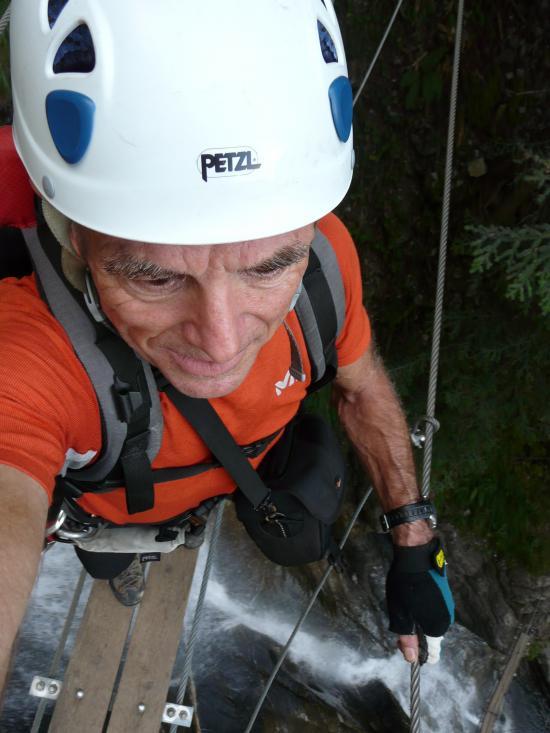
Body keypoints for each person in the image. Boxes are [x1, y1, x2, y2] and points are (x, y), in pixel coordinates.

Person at [0, 0, 454, 696]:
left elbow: (360, 388)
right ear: (72, 235)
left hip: (197, 487)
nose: (220, 339)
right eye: (153, 275)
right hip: (113, 507)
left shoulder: (325, 266)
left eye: (269, 267)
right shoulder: (30, 343)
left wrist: (412, 531)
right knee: (105, 550)